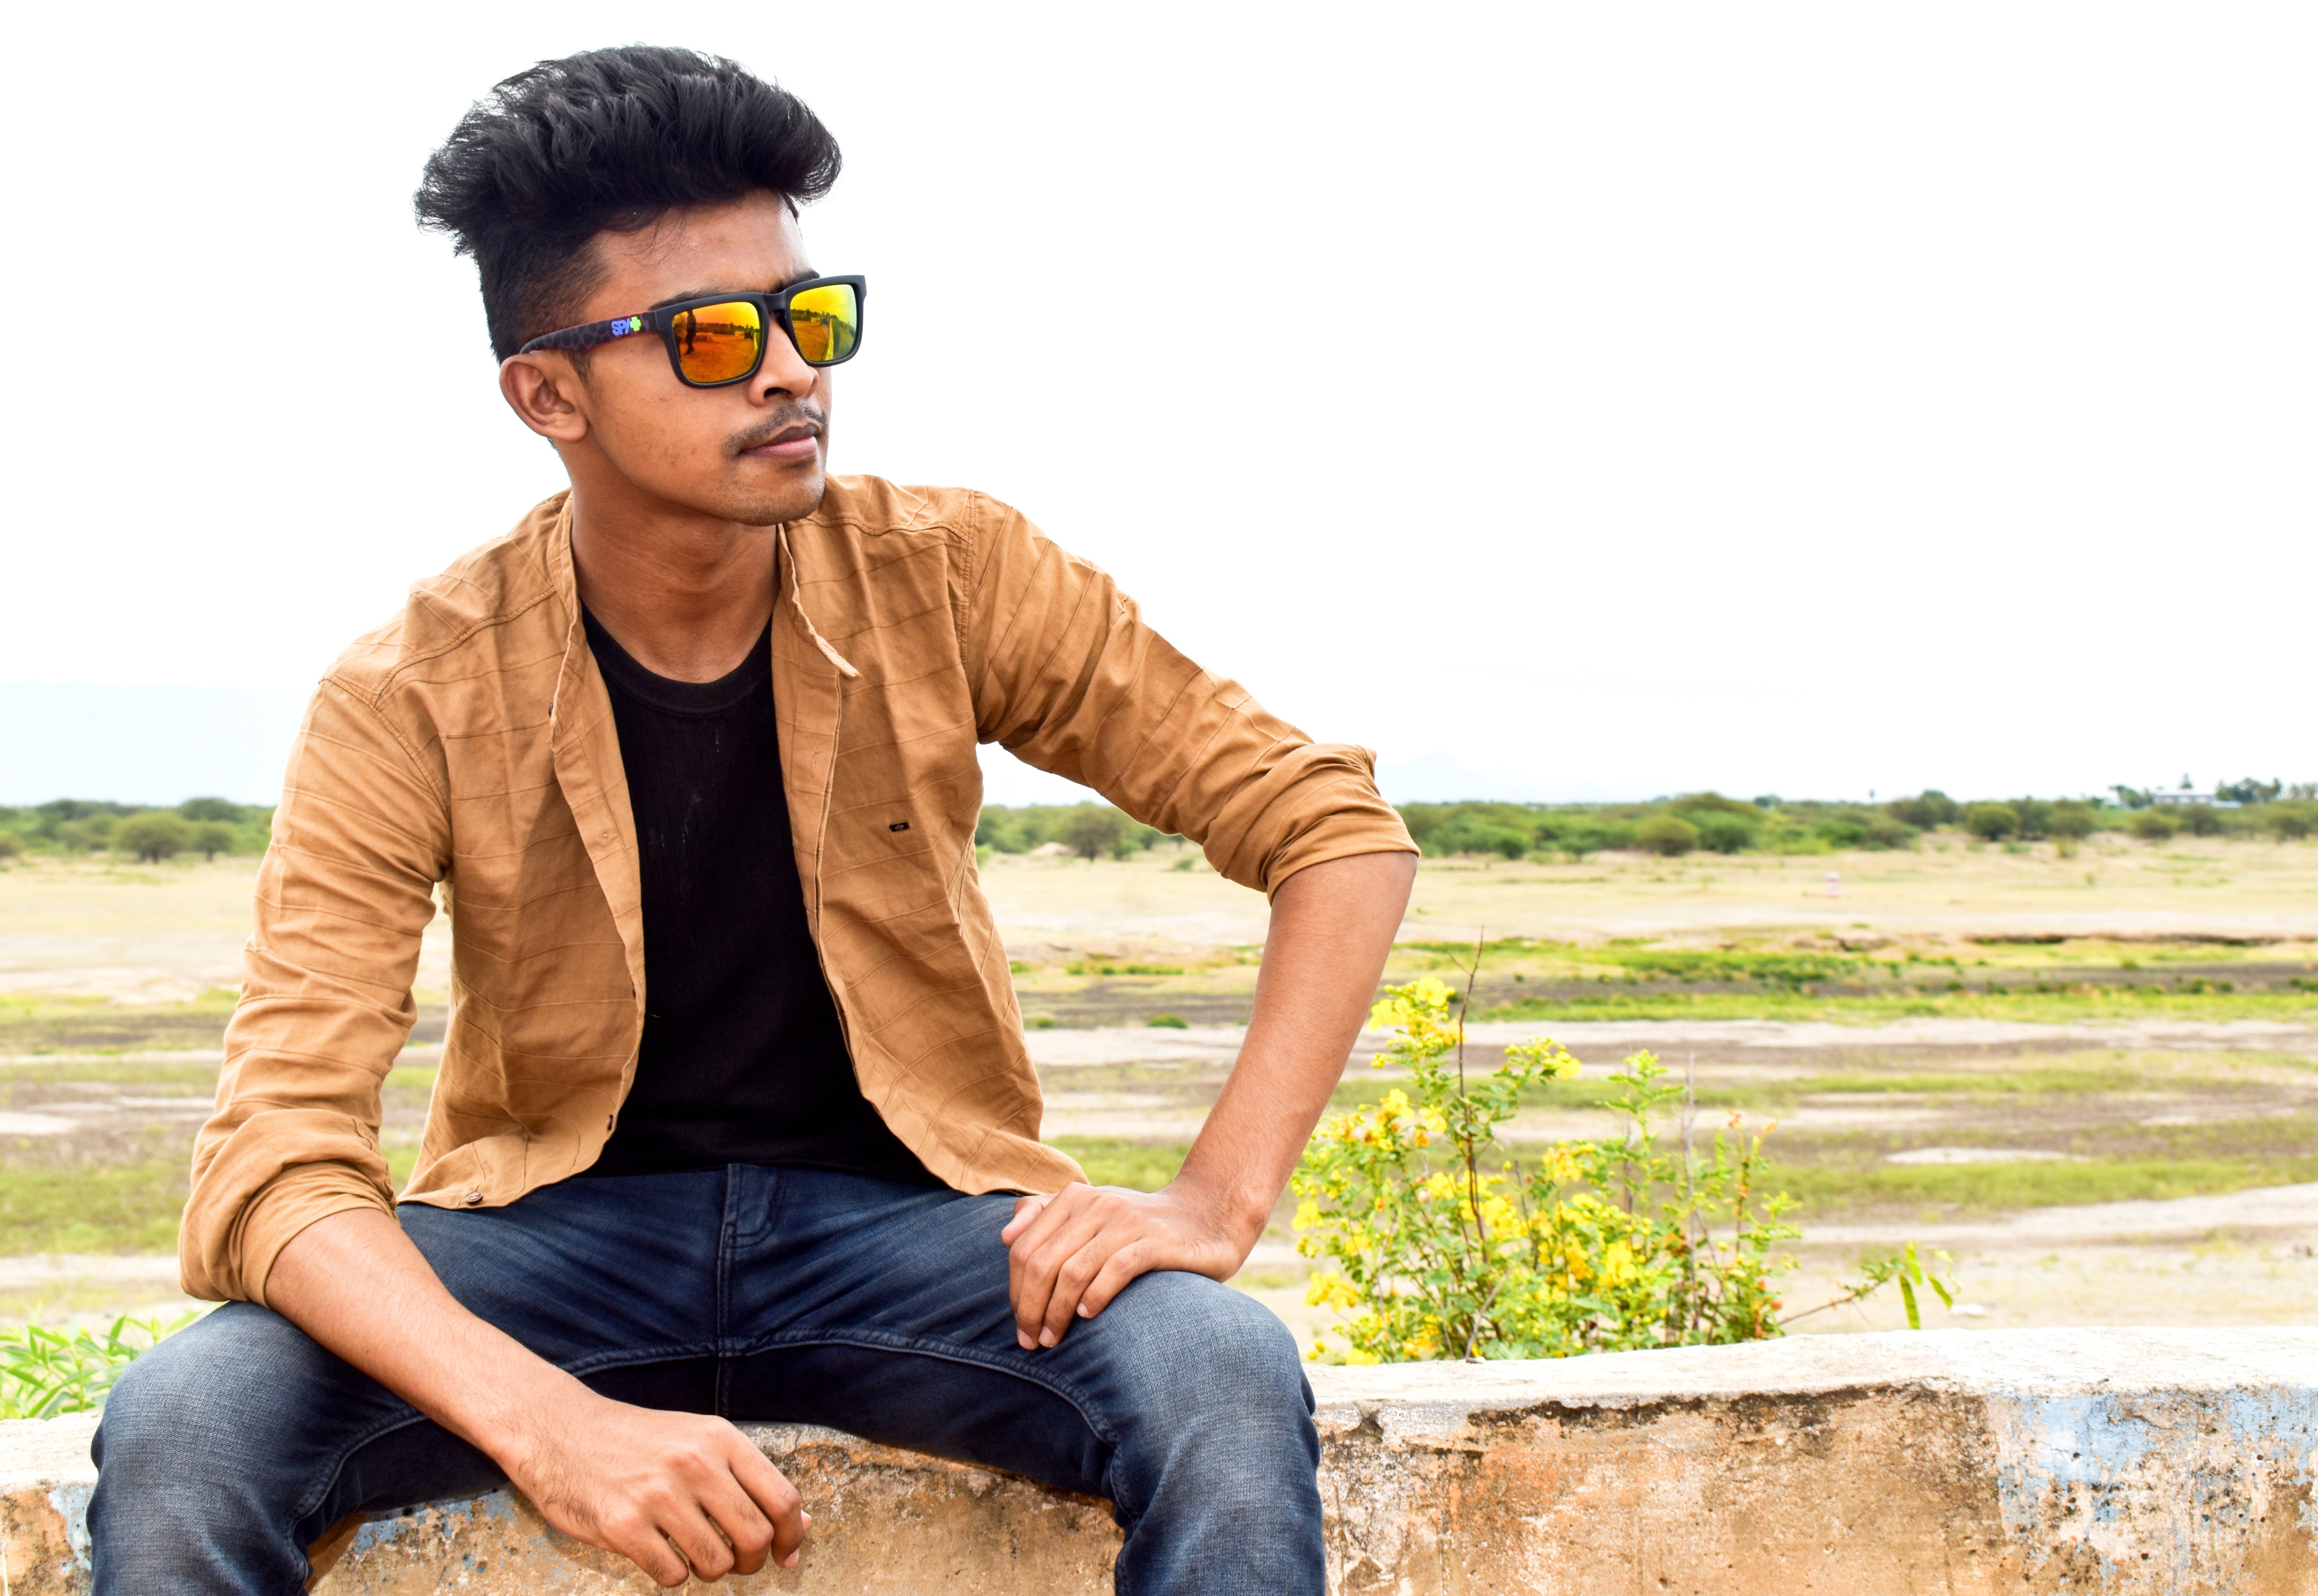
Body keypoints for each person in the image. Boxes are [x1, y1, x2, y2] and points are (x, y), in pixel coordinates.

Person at [88, 44, 1416, 1596]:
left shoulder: (951, 572)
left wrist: (1214, 1199)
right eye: (713, 336)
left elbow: (1330, 827)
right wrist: (553, 1428)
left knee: (1219, 1370)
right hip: (551, 1242)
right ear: (548, 392)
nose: (790, 372)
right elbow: (277, 1163)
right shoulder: (414, 688)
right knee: (187, 1420)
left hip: (917, 1233)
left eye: (810, 315)